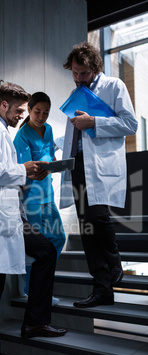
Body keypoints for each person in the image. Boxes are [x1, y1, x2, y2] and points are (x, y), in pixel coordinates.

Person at [0, 82, 67, 355]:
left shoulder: (1, 133)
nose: (22, 117)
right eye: (20, 111)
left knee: (46, 251)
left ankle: (35, 321)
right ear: (4, 105)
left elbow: (2, 172)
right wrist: (24, 169)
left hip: (9, 217)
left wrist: (23, 173)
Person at [60, 42, 138, 308]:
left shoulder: (114, 86)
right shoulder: (76, 93)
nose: (79, 78)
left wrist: (94, 122)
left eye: (83, 73)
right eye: (75, 73)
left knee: (98, 216)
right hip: (78, 164)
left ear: (95, 67)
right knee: (87, 226)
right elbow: (73, 134)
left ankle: (114, 262)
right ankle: (102, 287)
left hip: (101, 165)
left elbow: (131, 124)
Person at [13, 92, 66, 305]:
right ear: (29, 110)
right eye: (37, 112)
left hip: (48, 195)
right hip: (32, 198)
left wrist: (56, 164)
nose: (42, 116)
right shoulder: (22, 135)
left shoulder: (49, 129)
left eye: (46, 113)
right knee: (38, 247)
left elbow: (50, 156)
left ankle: (37, 285)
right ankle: (28, 290)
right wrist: (41, 169)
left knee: (58, 238)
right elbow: (25, 171)